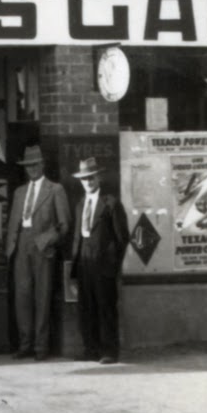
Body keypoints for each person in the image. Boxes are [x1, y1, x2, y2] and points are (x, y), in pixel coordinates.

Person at [3, 146, 71, 360]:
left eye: (34, 164)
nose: (31, 169)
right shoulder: (19, 192)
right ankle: (25, 344)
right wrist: (11, 246)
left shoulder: (55, 189)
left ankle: (41, 347)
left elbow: (64, 224)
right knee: (22, 296)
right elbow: (12, 223)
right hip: (20, 245)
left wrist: (45, 240)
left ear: (42, 165)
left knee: (42, 296)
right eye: (27, 166)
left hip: (42, 246)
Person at [70, 156, 129, 364]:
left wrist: (112, 264)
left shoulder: (111, 203)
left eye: (91, 177)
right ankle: (91, 349)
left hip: (104, 263)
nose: (88, 182)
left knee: (106, 307)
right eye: (84, 178)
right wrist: (75, 266)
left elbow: (122, 237)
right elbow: (77, 236)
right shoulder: (80, 204)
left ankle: (109, 351)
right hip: (84, 261)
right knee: (87, 307)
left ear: (99, 177)